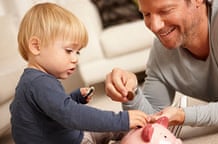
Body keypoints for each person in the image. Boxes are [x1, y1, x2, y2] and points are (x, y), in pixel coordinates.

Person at [10, 2, 148, 144]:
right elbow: (72, 115)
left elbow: (53, 109)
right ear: (36, 46)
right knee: (119, 124)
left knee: (117, 128)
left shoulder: (33, 81)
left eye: (78, 52)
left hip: (73, 135)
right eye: (69, 51)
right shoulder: (39, 83)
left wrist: (74, 98)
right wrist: (122, 119)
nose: (75, 59)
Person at [105, 0, 218, 128]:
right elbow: (151, 119)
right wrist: (130, 93)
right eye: (147, 14)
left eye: (165, 11)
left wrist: (183, 115)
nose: (155, 26)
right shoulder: (161, 53)